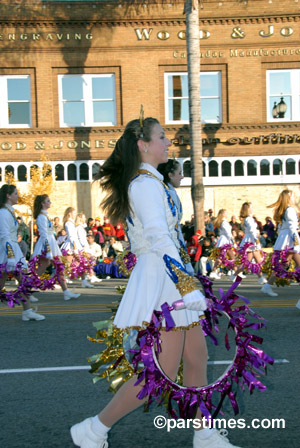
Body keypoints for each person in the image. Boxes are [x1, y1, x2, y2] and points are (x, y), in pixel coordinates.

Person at [70, 117, 241, 448]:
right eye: (162, 137)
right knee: (160, 372)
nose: (168, 142)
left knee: (197, 357)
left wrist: (187, 277)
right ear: (143, 145)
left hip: (171, 274)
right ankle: (94, 429)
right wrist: (184, 284)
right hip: (164, 280)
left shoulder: (154, 182)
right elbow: (158, 237)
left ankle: (205, 434)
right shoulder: (145, 185)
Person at [0, 184, 45, 321]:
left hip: (12, 249)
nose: (18, 196)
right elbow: (4, 236)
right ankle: (27, 311)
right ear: (8, 196)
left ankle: (27, 311)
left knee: (24, 280)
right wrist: (11, 256)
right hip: (7, 251)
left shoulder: (8, 211)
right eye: (15, 193)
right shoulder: (3, 213)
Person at [32, 195, 80, 301]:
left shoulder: (45, 216)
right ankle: (27, 290)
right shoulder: (41, 217)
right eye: (48, 201)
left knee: (59, 267)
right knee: (41, 268)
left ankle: (66, 291)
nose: (50, 202)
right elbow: (44, 234)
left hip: (51, 243)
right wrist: (48, 250)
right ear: (42, 203)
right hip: (47, 244)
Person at [157, 158, 194, 275]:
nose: (182, 177)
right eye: (180, 173)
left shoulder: (164, 190)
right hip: (171, 241)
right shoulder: (169, 193)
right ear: (170, 175)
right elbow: (172, 224)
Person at [263, 189, 300, 304]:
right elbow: (292, 229)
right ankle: (267, 285)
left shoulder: (285, 210)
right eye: (293, 196)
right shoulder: (290, 210)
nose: (295, 198)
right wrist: (296, 244)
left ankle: (268, 285)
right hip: (290, 240)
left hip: (286, 239)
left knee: (284, 265)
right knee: (286, 265)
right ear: (288, 198)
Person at [234, 202, 267, 286]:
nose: (252, 209)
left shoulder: (248, 218)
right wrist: (256, 241)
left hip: (251, 239)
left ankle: (261, 277)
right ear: (247, 210)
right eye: (250, 208)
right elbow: (252, 231)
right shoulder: (249, 219)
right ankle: (235, 275)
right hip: (250, 241)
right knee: (247, 262)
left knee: (258, 260)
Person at [62, 207, 93, 289]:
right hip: (71, 245)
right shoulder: (68, 223)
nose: (75, 214)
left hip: (76, 244)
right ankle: (60, 280)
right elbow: (72, 237)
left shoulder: (71, 223)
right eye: (74, 213)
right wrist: (75, 248)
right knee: (67, 265)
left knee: (81, 262)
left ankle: (84, 281)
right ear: (69, 213)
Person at [209, 209, 238, 280]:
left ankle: (213, 272)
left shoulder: (224, 222)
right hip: (225, 242)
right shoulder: (224, 222)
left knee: (225, 258)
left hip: (224, 241)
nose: (227, 214)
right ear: (223, 214)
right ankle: (235, 274)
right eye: (226, 213)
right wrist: (233, 241)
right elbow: (228, 233)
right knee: (231, 258)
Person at [76, 213, 101, 284]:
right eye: (84, 217)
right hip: (82, 247)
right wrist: (83, 246)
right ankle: (90, 275)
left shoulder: (81, 227)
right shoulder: (79, 227)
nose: (85, 219)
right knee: (86, 260)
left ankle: (90, 275)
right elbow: (80, 238)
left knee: (87, 261)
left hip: (84, 246)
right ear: (80, 219)